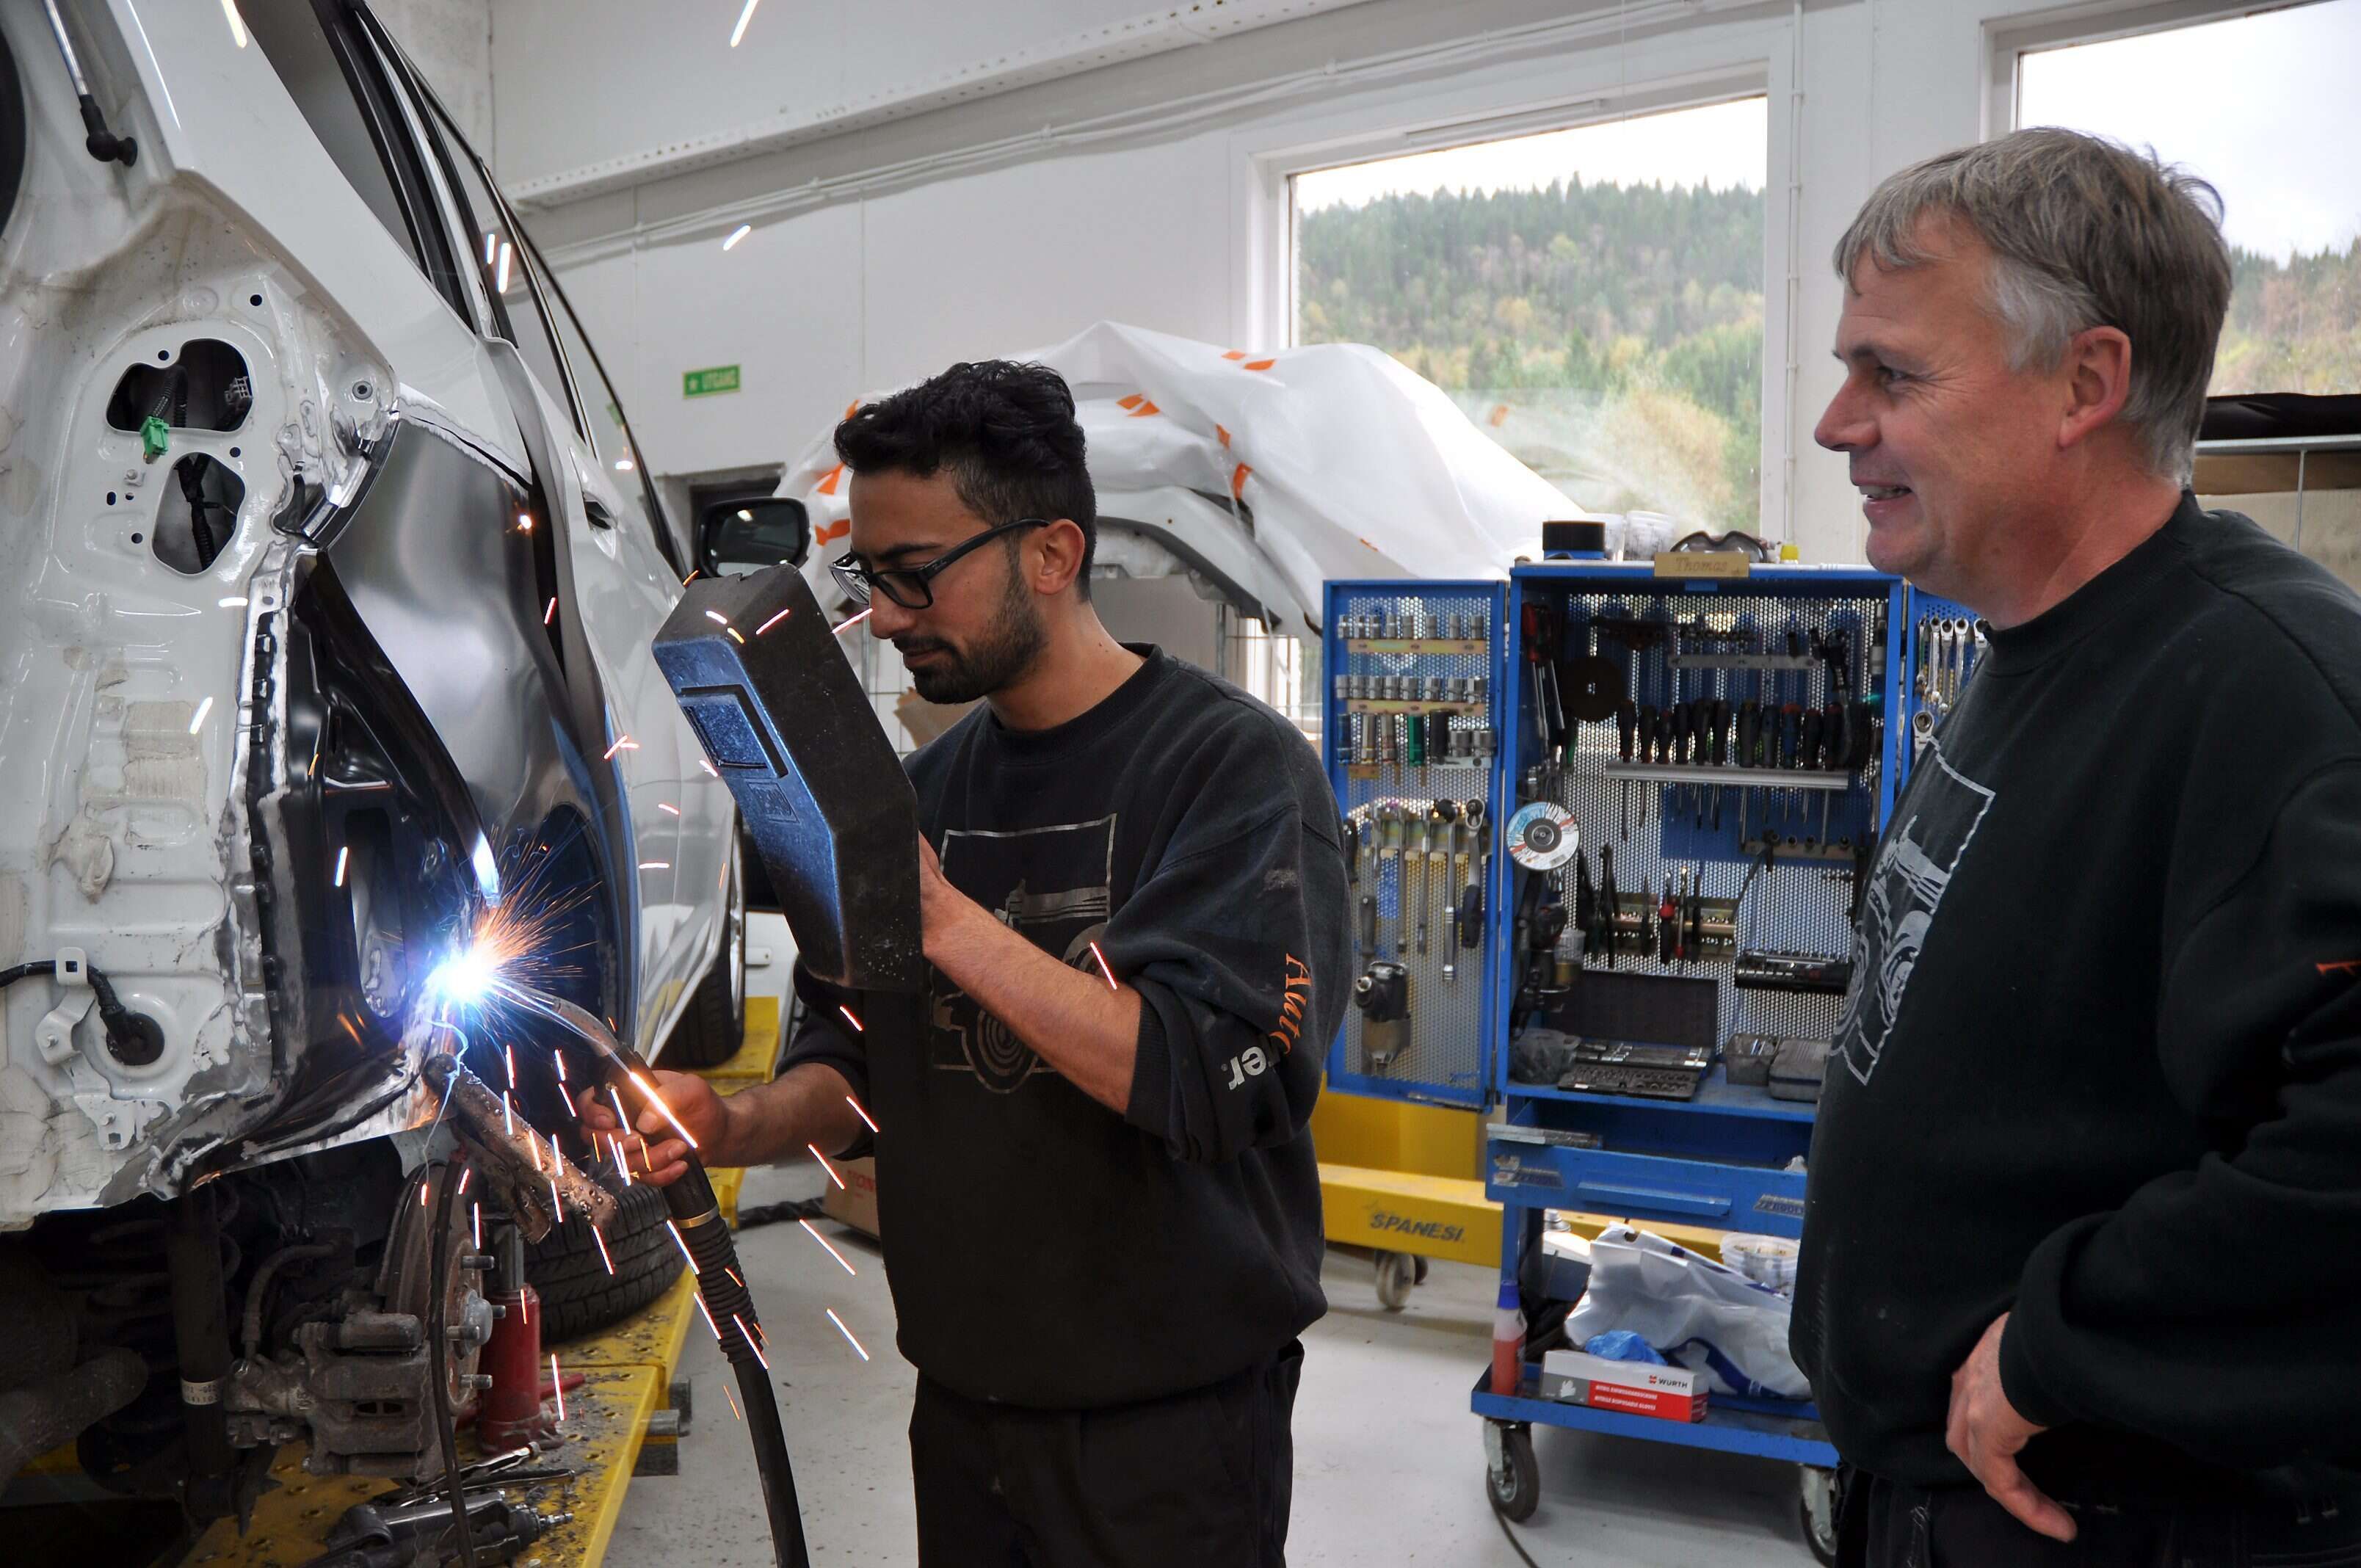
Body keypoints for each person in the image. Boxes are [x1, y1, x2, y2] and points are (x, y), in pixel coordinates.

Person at [587, 360, 1349, 1567]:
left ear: (1050, 553)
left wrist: (945, 921)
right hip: (964, 1414)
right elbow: (857, 1070)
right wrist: (729, 1125)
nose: (887, 618)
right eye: (869, 578)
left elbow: (1208, 1076)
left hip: (1169, 1437)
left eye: (915, 573)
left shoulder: (1232, 773)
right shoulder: (921, 795)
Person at [1794, 126, 2361, 1565]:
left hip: (2113, 1518)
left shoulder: (2275, 690)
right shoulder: (2034, 645)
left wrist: (2065, 1344)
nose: (1838, 425)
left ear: (2085, 385)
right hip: (1938, 1497)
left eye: (1892, 375)